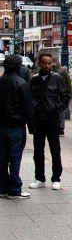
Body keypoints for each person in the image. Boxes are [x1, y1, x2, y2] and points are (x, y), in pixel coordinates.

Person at [29, 53, 71, 191]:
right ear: (39, 64)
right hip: (39, 120)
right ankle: (39, 178)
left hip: (52, 120)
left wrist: (56, 109)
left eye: (49, 63)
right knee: (38, 151)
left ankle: (56, 178)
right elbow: (30, 99)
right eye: (44, 63)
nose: (47, 66)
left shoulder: (57, 78)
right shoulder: (34, 79)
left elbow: (66, 96)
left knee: (55, 150)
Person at [0, 55, 35, 199]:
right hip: (16, 126)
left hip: (1, 125)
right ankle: (15, 188)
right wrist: (32, 128)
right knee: (15, 158)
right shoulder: (21, 84)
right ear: (18, 66)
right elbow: (28, 108)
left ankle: (2, 188)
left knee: (2, 158)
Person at [52, 59, 72, 136]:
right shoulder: (63, 71)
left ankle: (56, 127)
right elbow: (68, 83)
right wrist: (69, 94)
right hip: (61, 95)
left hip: (54, 95)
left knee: (56, 111)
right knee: (61, 112)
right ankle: (61, 128)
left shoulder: (51, 71)